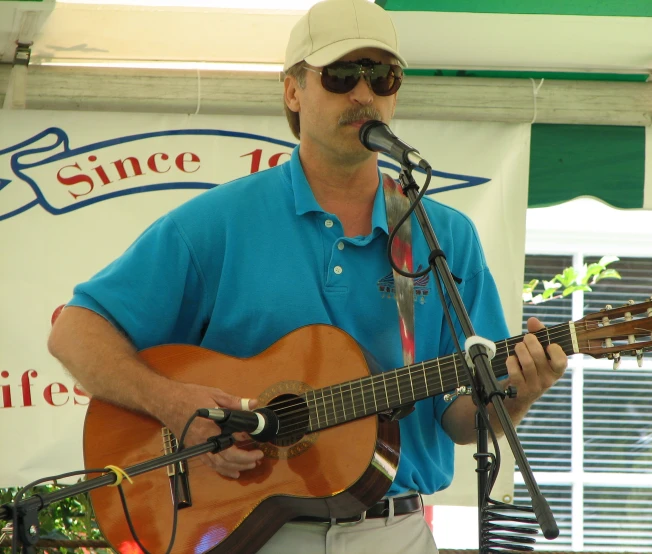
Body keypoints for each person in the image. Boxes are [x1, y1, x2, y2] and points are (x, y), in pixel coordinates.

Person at [47, 0, 567, 552]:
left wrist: (516, 394)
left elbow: (461, 422)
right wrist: (175, 406)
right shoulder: (218, 222)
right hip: (249, 529)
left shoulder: (443, 236)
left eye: (382, 77)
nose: (363, 94)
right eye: (341, 76)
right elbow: (75, 333)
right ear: (293, 91)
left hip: (395, 530)